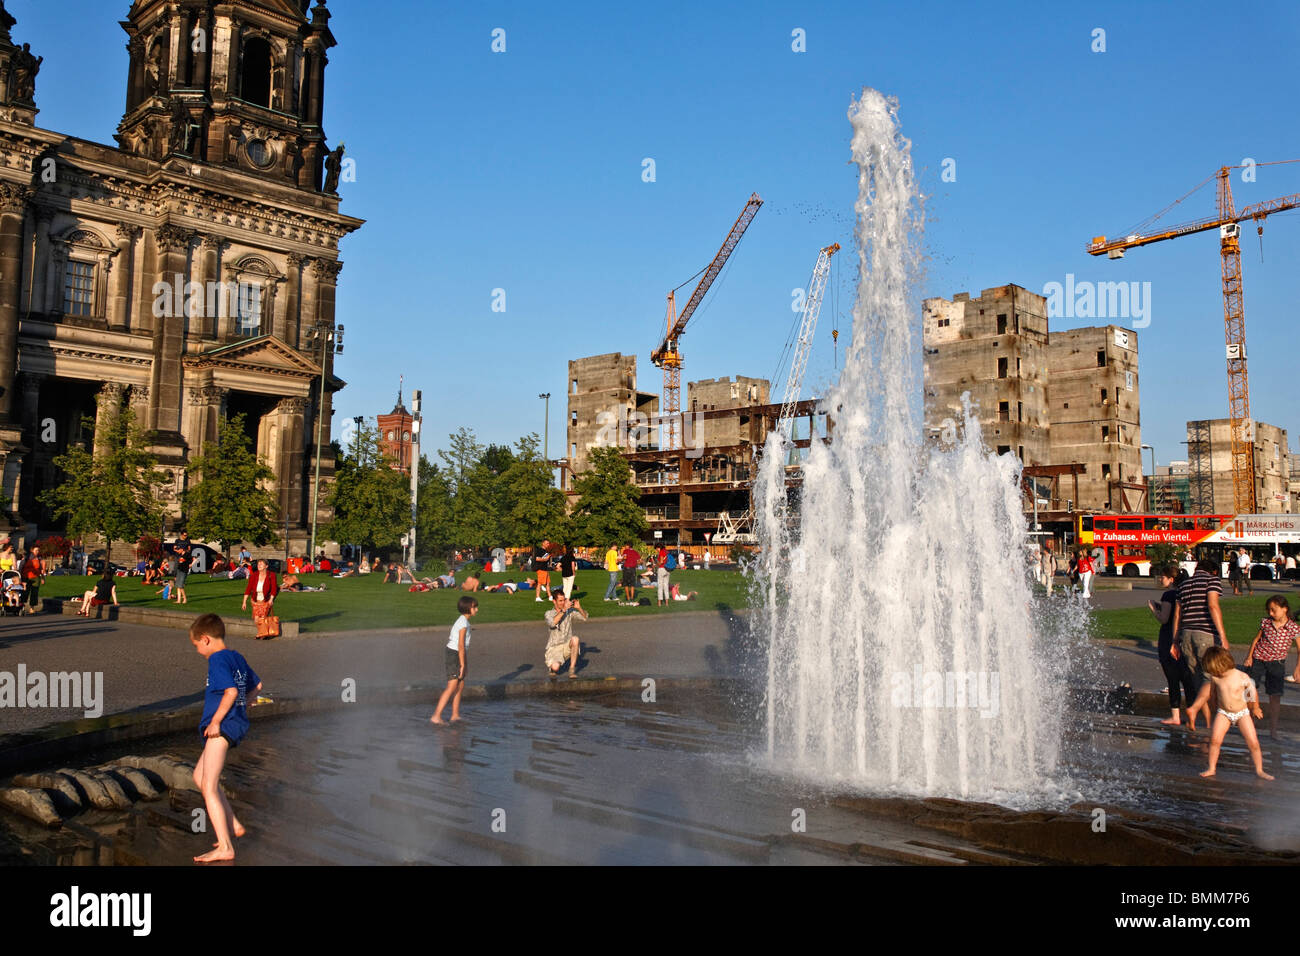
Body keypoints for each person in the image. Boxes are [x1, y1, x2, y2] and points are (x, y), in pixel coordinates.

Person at [189, 613, 262, 862]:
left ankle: (225, 846)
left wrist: (217, 721)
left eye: (196, 645)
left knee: (209, 787)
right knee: (199, 777)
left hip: (222, 728)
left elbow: (230, 691)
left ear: (206, 639)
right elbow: (258, 686)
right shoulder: (236, 656)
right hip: (233, 724)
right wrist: (246, 703)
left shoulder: (218, 660)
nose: (197, 650)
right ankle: (234, 825)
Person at [1188, 646, 1272, 780]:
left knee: (1253, 742)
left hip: (1242, 713)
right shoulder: (1216, 678)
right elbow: (1213, 694)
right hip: (1224, 713)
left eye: (1215, 670)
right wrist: (1215, 709)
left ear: (1222, 664)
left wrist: (1255, 707)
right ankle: (1211, 768)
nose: (1214, 673)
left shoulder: (1241, 676)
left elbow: (1252, 692)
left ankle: (1259, 770)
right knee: (1215, 741)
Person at [1243, 595, 1300, 739]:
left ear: (1285, 609)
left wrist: (1297, 668)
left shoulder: (1292, 627)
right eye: (1269, 610)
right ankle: (1251, 722)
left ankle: (1273, 730)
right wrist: (1249, 656)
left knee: (1275, 695)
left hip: (1277, 663)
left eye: (1274, 610)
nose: (1270, 613)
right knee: (1250, 687)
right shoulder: (1266, 622)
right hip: (1258, 658)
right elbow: (1256, 640)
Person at [1148, 564, 1198, 728]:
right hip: (1183, 636)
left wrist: (1154, 608)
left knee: (1173, 679)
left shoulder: (1169, 594)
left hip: (1169, 637)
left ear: (1171, 579)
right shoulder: (1184, 593)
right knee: (1188, 678)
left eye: (1163, 576)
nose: (1160, 579)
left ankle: (1175, 716)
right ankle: (1192, 715)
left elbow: (1164, 618)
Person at [1172, 558, 1228, 686]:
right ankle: (1214, 706)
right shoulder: (1212, 580)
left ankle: (1202, 706)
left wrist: (1175, 641)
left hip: (1186, 634)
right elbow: (1213, 606)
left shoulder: (1183, 585)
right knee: (1211, 677)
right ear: (1214, 571)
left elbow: (1177, 615)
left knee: (1196, 678)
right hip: (1205, 633)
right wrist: (1223, 636)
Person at [432, 596, 477, 725]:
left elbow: (463, 649)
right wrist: (462, 664)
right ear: (468, 609)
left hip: (459, 654)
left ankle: (455, 715)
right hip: (454, 654)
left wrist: (465, 664)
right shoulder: (462, 624)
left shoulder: (464, 621)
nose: (477, 609)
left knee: (460, 684)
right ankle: (436, 716)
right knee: (452, 686)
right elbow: (460, 646)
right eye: (475, 607)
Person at [544, 590, 588, 678]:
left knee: (575, 639)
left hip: (567, 645)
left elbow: (585, 617)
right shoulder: (549, 613)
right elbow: (552, 623)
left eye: (564, 600)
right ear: (554, 601)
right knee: (555, 667)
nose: (563, 602)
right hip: (554, 647)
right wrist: (564, 610)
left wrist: (579, 608)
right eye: (560, 601)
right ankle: (552, 668)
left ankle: (571, 670)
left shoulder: (569, 612)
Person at [241, 559, 279, 639]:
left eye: (261, 564)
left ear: (266, 566)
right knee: (256, 619)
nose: (259, 565)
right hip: (255, 600)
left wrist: (271, 599)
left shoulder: (271, 575)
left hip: (266, 600)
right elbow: (248, 589)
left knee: (263, 617)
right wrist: (244, 602)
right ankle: (262, 633)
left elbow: (274, 589)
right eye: (258, 564)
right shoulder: (254, 575)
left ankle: (261, 634)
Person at [20, 544, 45, 615]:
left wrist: (43, 578)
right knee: (25, 592)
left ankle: (32, 608)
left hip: (36, 577)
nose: (37, 552)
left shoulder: (39, 558)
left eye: (38, 550)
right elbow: (21, 567)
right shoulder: (27, 558)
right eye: (36, 550)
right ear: (32, 550)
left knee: (34, 593)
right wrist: (19, 577)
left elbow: (41, 569)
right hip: (26, 577)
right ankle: (22, 607)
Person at [172, 531, 193, 605]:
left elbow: (193, 557)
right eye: (184, 535)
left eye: (186, 535)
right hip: (180, 570)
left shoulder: (186, 555)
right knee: (178, 586)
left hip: (184, 570)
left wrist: (191, 564)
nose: (186, 536)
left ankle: (184, 599)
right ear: (181, 535)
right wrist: (178, 551)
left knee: (180, 586)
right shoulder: (179, 554)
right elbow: (174, 548)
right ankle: (178, 600)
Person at [532, 539, 553, 603]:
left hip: (545, 569)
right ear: (543, 543)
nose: (548, 544)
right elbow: (537, 558)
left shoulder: (545, 551)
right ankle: (537, 597)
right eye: (546, 543)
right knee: (539, 583)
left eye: (548, 543)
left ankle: (550, 596)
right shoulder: (539, 550)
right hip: (540, 569)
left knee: (547, 583)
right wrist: (545, 559)